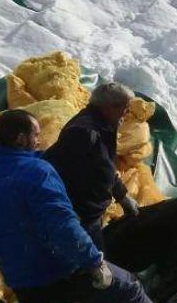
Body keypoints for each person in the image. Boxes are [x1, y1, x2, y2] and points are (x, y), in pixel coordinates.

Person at [0, 109, 162, 303]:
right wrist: (94, 263)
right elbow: (62, 225)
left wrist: (0, 231)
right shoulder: (38, 172)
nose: (39, 141)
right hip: (61, 273)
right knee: (130, 289)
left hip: (23, 286)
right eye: (36, 135)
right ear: (22, 139)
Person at [44, 82, 141, 252]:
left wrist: (123, 196)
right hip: (81, 216)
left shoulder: (102, 127)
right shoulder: (84, 133)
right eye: (124, 108)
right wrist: (70, 213)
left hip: (90, 214)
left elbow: (105, 169)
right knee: (91, 262)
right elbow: (60, 169)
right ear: (108, 107)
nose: (127, 113)